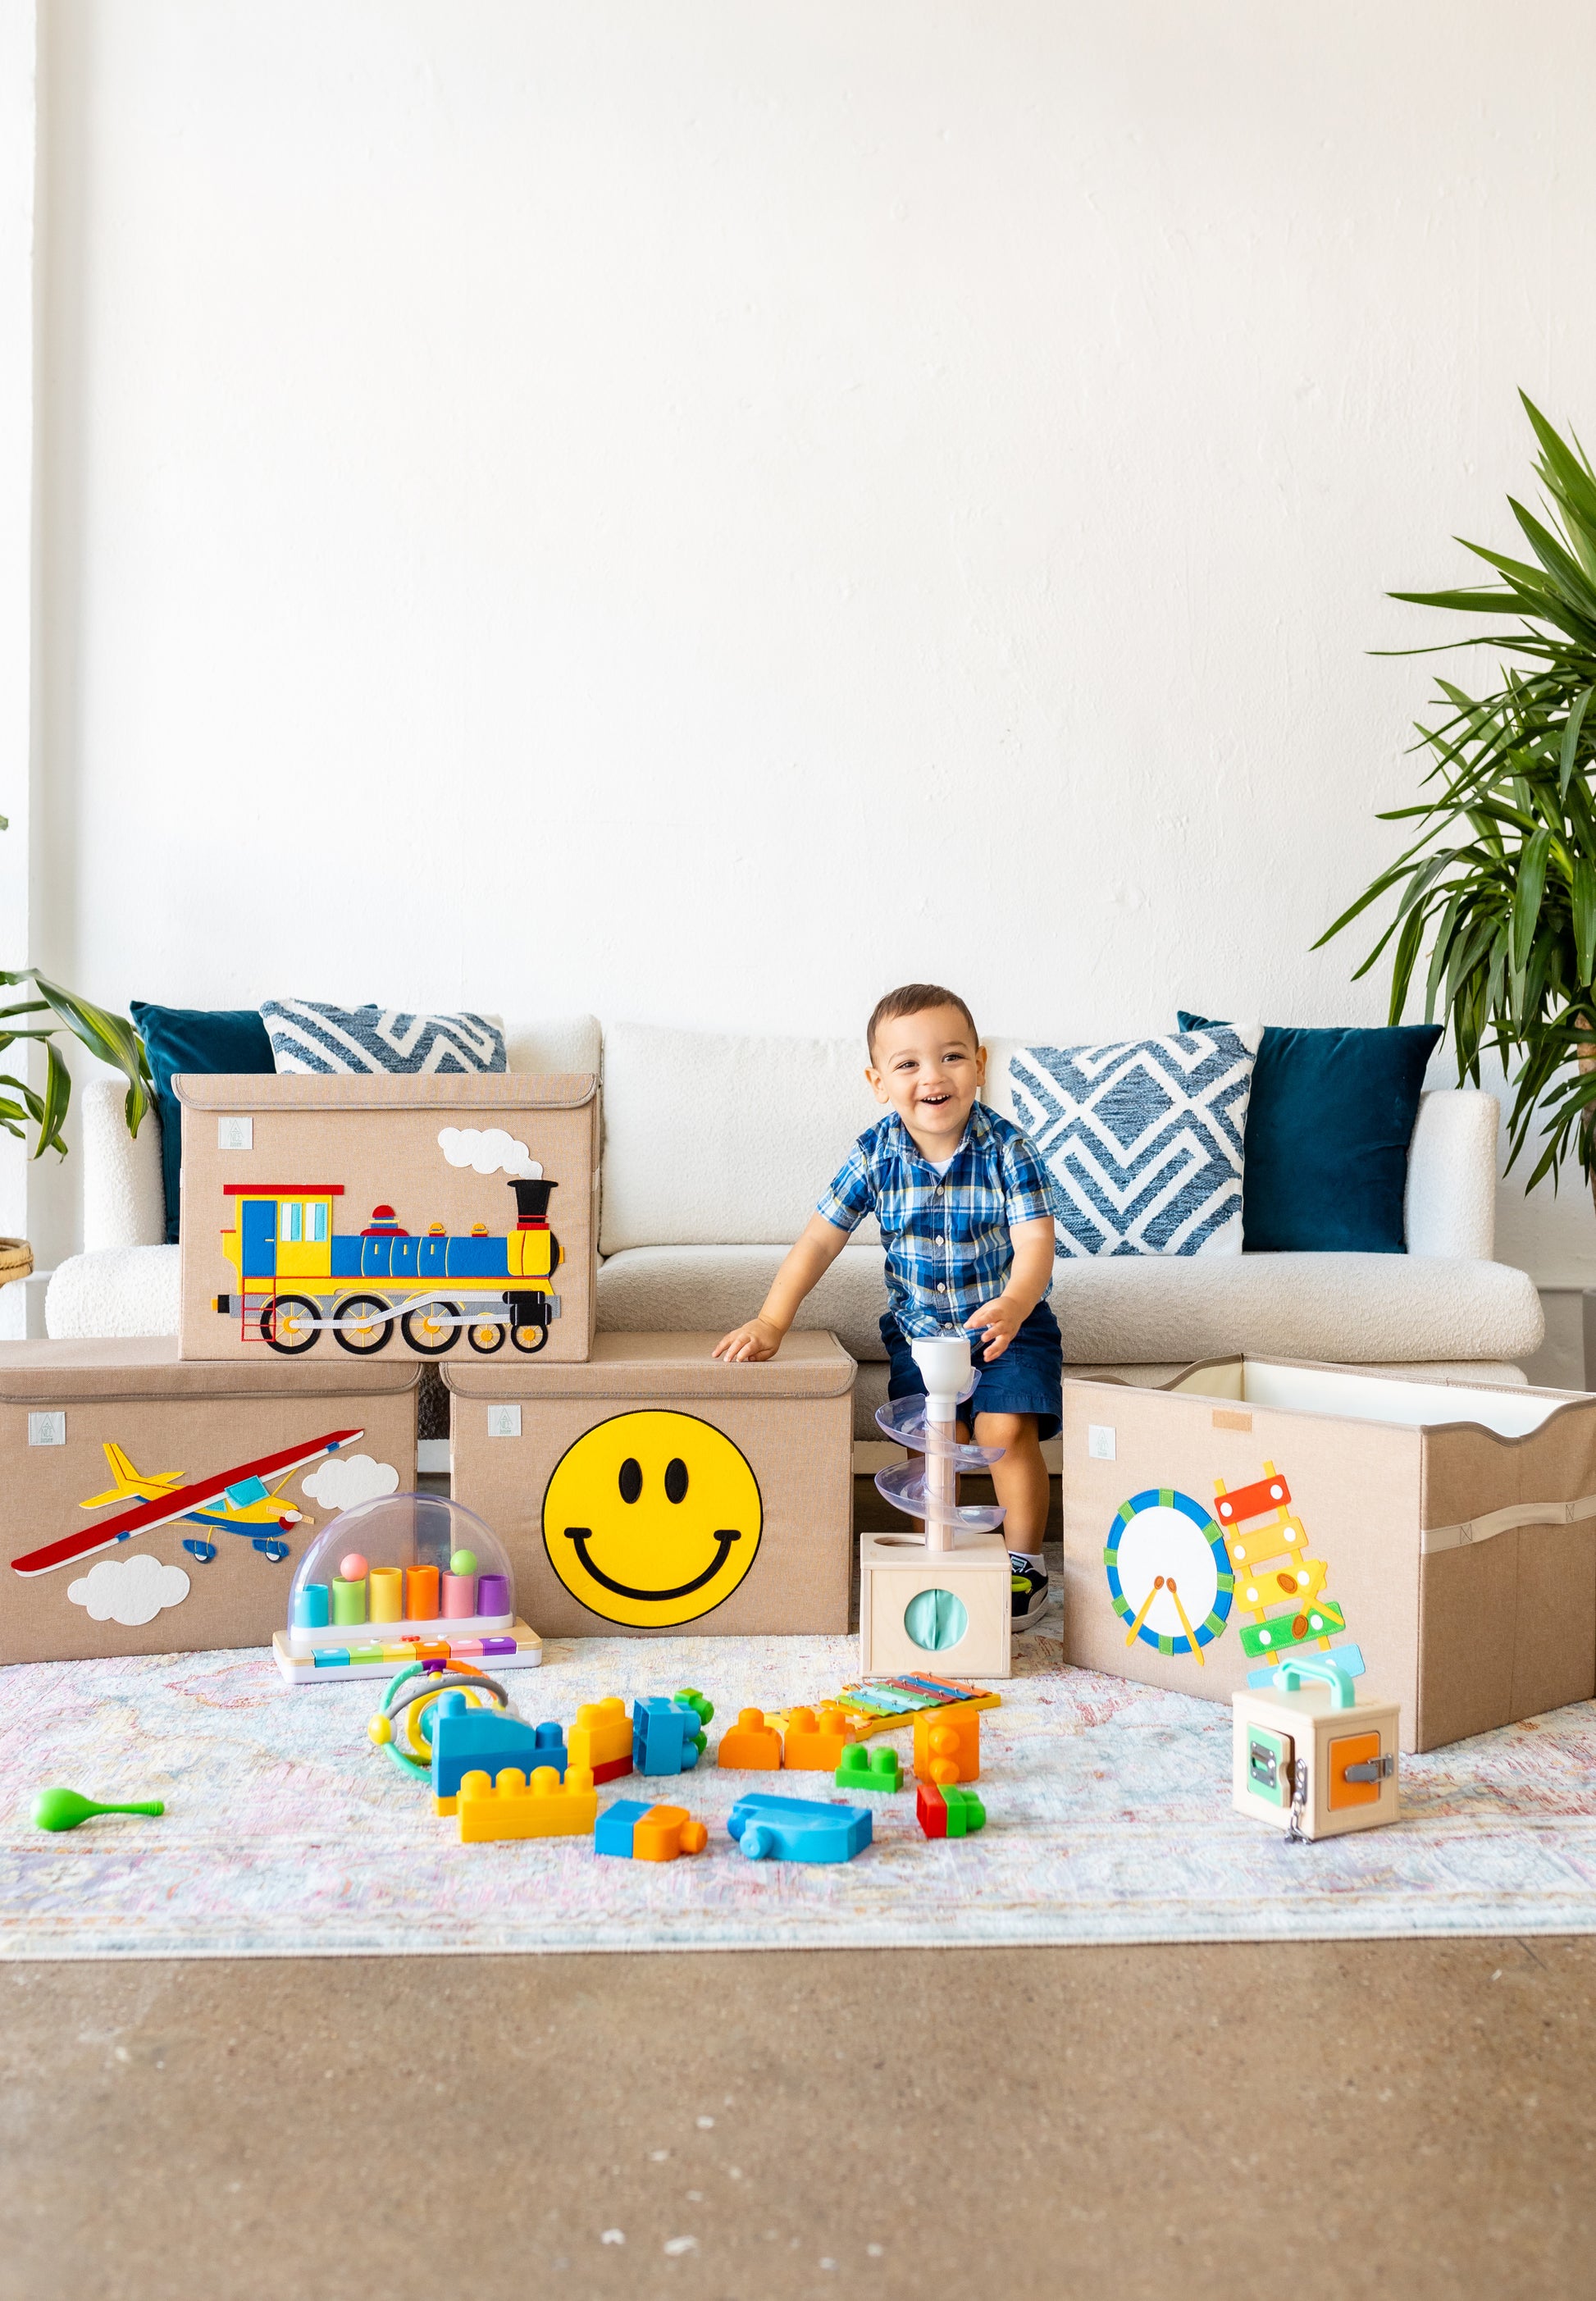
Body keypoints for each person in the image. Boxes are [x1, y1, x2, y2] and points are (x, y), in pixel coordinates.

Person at [714, 982, 1063, 1628]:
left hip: (1006, 1326)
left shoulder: (1009, 1149)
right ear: (879, 1081)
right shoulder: (875, 1154)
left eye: (952, 1057)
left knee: (1001, 1431)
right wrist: (772, 1319)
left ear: (981, 1064)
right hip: (922, 1335)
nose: (933, 1076)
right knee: (932, 1442)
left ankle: (1024, 1562)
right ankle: (938, 1554)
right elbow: (820, 1239)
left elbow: (1036, 1241)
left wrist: (1015, 1302)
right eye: (908, 1064)